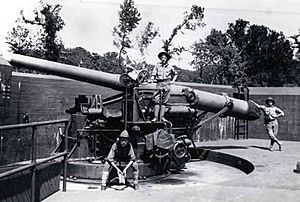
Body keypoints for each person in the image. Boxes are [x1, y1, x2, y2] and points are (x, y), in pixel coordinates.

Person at [150, 51, 178, 122]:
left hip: (167, 84)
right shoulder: (157, 66)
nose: (163, 59)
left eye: (165, 58)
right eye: (162, 58)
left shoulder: (170, 67)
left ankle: (162, 117)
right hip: (159, 84)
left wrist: (172, 81)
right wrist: (152, 79)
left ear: (167, 59)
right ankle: (155, 118)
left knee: (164, 102)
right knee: (156, 100)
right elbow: (153, 74)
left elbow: (175, 74)